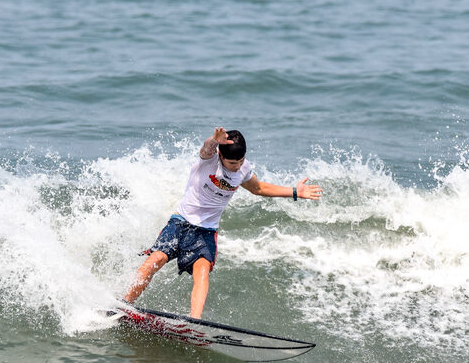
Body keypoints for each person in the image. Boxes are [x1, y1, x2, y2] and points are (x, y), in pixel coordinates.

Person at [123, 127, 323, 319]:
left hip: (207, 231)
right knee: (155, 260)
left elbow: (258, 188)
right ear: (220, 155)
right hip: (180, 222)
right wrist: (213, 140)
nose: (236, 166)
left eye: (239, 161)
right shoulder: (209, 160)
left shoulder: (243, 168)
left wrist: (296, 192)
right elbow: (206, 148)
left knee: (202, 272)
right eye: (231, 162)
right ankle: (124, 304)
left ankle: (194, 321)